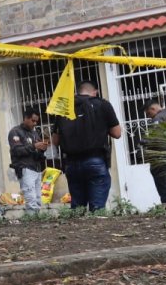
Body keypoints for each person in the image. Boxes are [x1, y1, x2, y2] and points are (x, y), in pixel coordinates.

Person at [51, 81, 121, 211]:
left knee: (78, 209)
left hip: (71, 164)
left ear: (78, 92)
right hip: (95, 160)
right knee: (97, 209)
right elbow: (117, 133)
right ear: (94, 92)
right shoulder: (102, 105)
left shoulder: (64, 108)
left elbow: (55, 140)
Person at [7, 106, 50, 210]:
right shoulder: (15, 132)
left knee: (38, 200)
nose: (35, 124)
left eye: (36, 121)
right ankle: (32, 223)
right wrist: (34, 146)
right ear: (25, 118)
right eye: (33, 120)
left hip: (36, 169)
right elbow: (17, 150)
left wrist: (42, 147)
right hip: (25, 168)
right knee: (31, 201)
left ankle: (37, 223)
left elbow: (37, 150)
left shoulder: (34, 133)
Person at [142, 98, 166, 208]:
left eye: (148, 113)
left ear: (153, 108)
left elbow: (155, 137)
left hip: (160, 158)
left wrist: (144, 141)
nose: (148, 116)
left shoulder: (158, 118)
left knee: (164, 186)